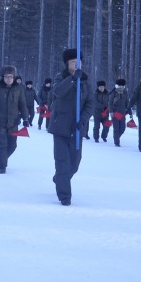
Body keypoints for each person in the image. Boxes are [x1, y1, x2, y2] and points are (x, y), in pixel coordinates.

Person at [48, 48, 93, 206]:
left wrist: (83, 120)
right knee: (62, 163)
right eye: (74, 62)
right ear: (67, 64)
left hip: (77, 129)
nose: (77, 64)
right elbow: (58, 92)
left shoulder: (86, 81)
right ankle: (64, 196)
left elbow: (90, 104)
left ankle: (60, 179)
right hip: (60, 128)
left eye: (79, 62)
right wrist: (72, 79)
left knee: (74, 163)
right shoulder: (60, 78)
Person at [107, 78, 130, 147]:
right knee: (116, 128)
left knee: (122, 128)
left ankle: (116, 137)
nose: (121, 87)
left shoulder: (125, 93)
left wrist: (129, 110)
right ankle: (116, 142)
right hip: (115, 113)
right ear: (117, 86)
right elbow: (110, 103)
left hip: (122, 114)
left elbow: (127, 103)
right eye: (119, 86)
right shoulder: (113, 93)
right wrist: (111, 111)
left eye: (122, 86)